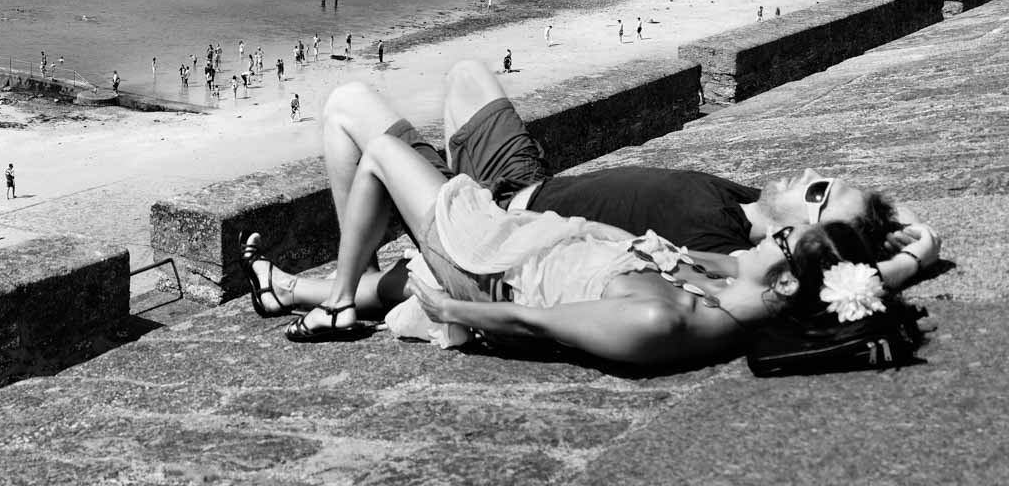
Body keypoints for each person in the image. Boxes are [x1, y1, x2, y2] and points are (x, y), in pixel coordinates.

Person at [243, 73, 926, 367]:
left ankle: (335, 298)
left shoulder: (668, 317)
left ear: (781, 278)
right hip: (520, 235)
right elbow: (800, 277)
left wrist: (448, 306)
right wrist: (902, 263)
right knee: (411, 126)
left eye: (785, 237)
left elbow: (533, 323)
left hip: (491, 258)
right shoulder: (736, 288)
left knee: (378, 149)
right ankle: (328, 292)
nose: (766, 241)